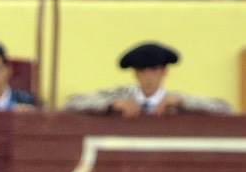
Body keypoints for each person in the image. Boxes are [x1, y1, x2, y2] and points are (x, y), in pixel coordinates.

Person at [63, 42, 234, 115]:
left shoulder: (175, 101)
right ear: (136, 74)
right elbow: (70, 104)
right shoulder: (119, 97)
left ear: (164, 72)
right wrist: (111, 105)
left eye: (154, 69)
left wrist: (181, 102)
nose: (148, 76)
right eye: (142, 70)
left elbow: (225, 108)